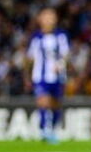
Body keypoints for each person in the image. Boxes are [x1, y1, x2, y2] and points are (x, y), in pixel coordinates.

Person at [26, 8, 69, 144]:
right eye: (46, 16)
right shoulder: (36, 37)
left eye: (52, 16)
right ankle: (44, 130)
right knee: (43, 101)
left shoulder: (61, 36)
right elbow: (30, 58)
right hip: (40, 76)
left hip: (58, 77)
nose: (50, 19)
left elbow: (66, 54)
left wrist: (60, 64)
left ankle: (52, 129)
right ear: (40, 19)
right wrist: (27, 75)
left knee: (55, 104)